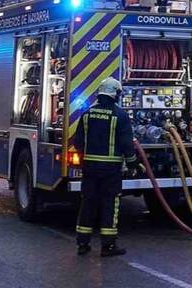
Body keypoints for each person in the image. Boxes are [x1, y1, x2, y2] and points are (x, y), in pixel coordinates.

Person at [70, 77, 135, 257]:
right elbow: (127, 145)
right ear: (115, 94)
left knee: (88, 202)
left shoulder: (87, 114)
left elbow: (78, 142)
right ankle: (108, 246)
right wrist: (133, 164)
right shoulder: (120, 116)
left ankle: (82, 243)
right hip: (111, 170)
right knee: (109, 204)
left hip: (90, 168)